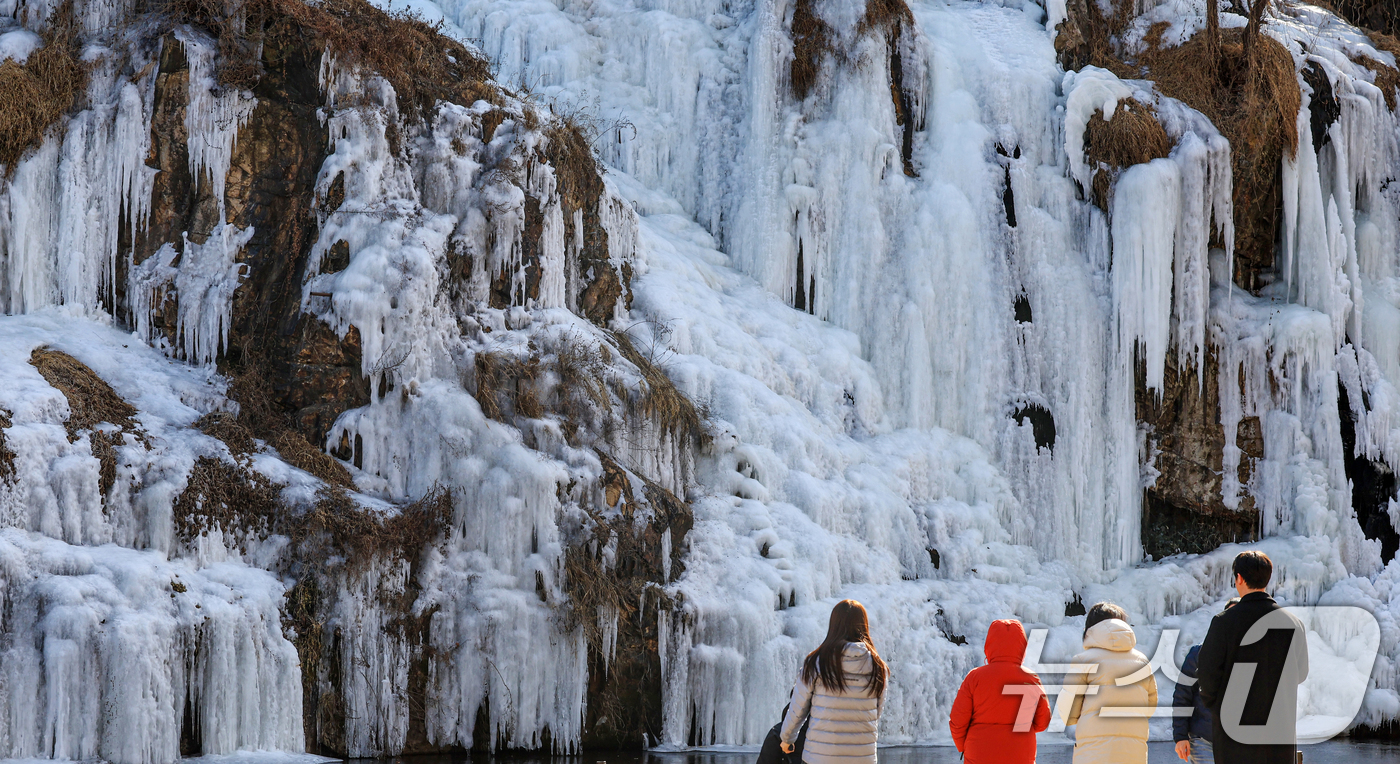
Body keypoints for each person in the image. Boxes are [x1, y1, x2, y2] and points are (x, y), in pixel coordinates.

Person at [1196, 551, 1309, 764]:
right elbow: (1301, 673)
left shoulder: (1224, 622)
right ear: (1268, 578)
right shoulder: (1294, 624)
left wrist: (1219, 708)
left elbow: (1207, 674)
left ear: (1239, 578)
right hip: (1280, 731)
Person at [779, 600, 889, 764]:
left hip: (819, 757)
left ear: (833, 625)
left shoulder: (817, 661)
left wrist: (787, 739)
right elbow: (876, 713)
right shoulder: (877, 665)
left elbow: (798, 708)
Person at [1063, 602, 1157, 764]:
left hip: (1093, 752)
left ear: (1090, 628)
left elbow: (1068, 714)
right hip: (1133, 752)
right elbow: (1150, 707)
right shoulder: (1142, 661)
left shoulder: (1083, 660)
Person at [949, 619, 1052, 763]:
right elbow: (1043, 721)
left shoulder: (974, 677)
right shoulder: (1031, 678)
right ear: (1022, 646)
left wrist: (964, 747)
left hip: (979, 754)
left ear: (989, 645)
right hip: (1020, 754)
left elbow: (957, 721)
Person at [1173, 597, 1240, 763]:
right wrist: (1180, 736)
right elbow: (1182, 696)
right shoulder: (1198, 653)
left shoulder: (1255, 654)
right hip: (1203, 739)